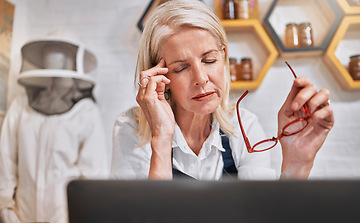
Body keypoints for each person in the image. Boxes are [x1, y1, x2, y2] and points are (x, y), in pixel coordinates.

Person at [110, 0, 334, 181]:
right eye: (181, 68)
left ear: (223, 56)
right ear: (160, 76)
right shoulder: (131, 128)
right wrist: (161, 140)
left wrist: (297, 162)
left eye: (209, 60)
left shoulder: (243, 125)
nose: (201, 79)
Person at [0, 37, 109, 223]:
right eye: (49, 58)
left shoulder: (86, 112)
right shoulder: (20, 106)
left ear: (71, 63)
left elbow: (94, 178)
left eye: (60, 59)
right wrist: (11, 217)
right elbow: (5, 165)